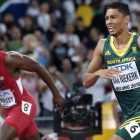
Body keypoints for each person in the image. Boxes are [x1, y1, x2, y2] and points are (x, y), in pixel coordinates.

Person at [83, 2, 140, 140]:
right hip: (130, 114)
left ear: (126, 19)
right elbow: (86, 81)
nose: (109, 22)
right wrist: (98, 73)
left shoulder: (137, 42)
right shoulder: (103, 46)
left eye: (113, 17)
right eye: (107, 18)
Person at [0, 51, 65, 140]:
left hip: (24, 105)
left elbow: (38, 66)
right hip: (8, 110)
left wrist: (56, 94)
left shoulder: (9, 59)